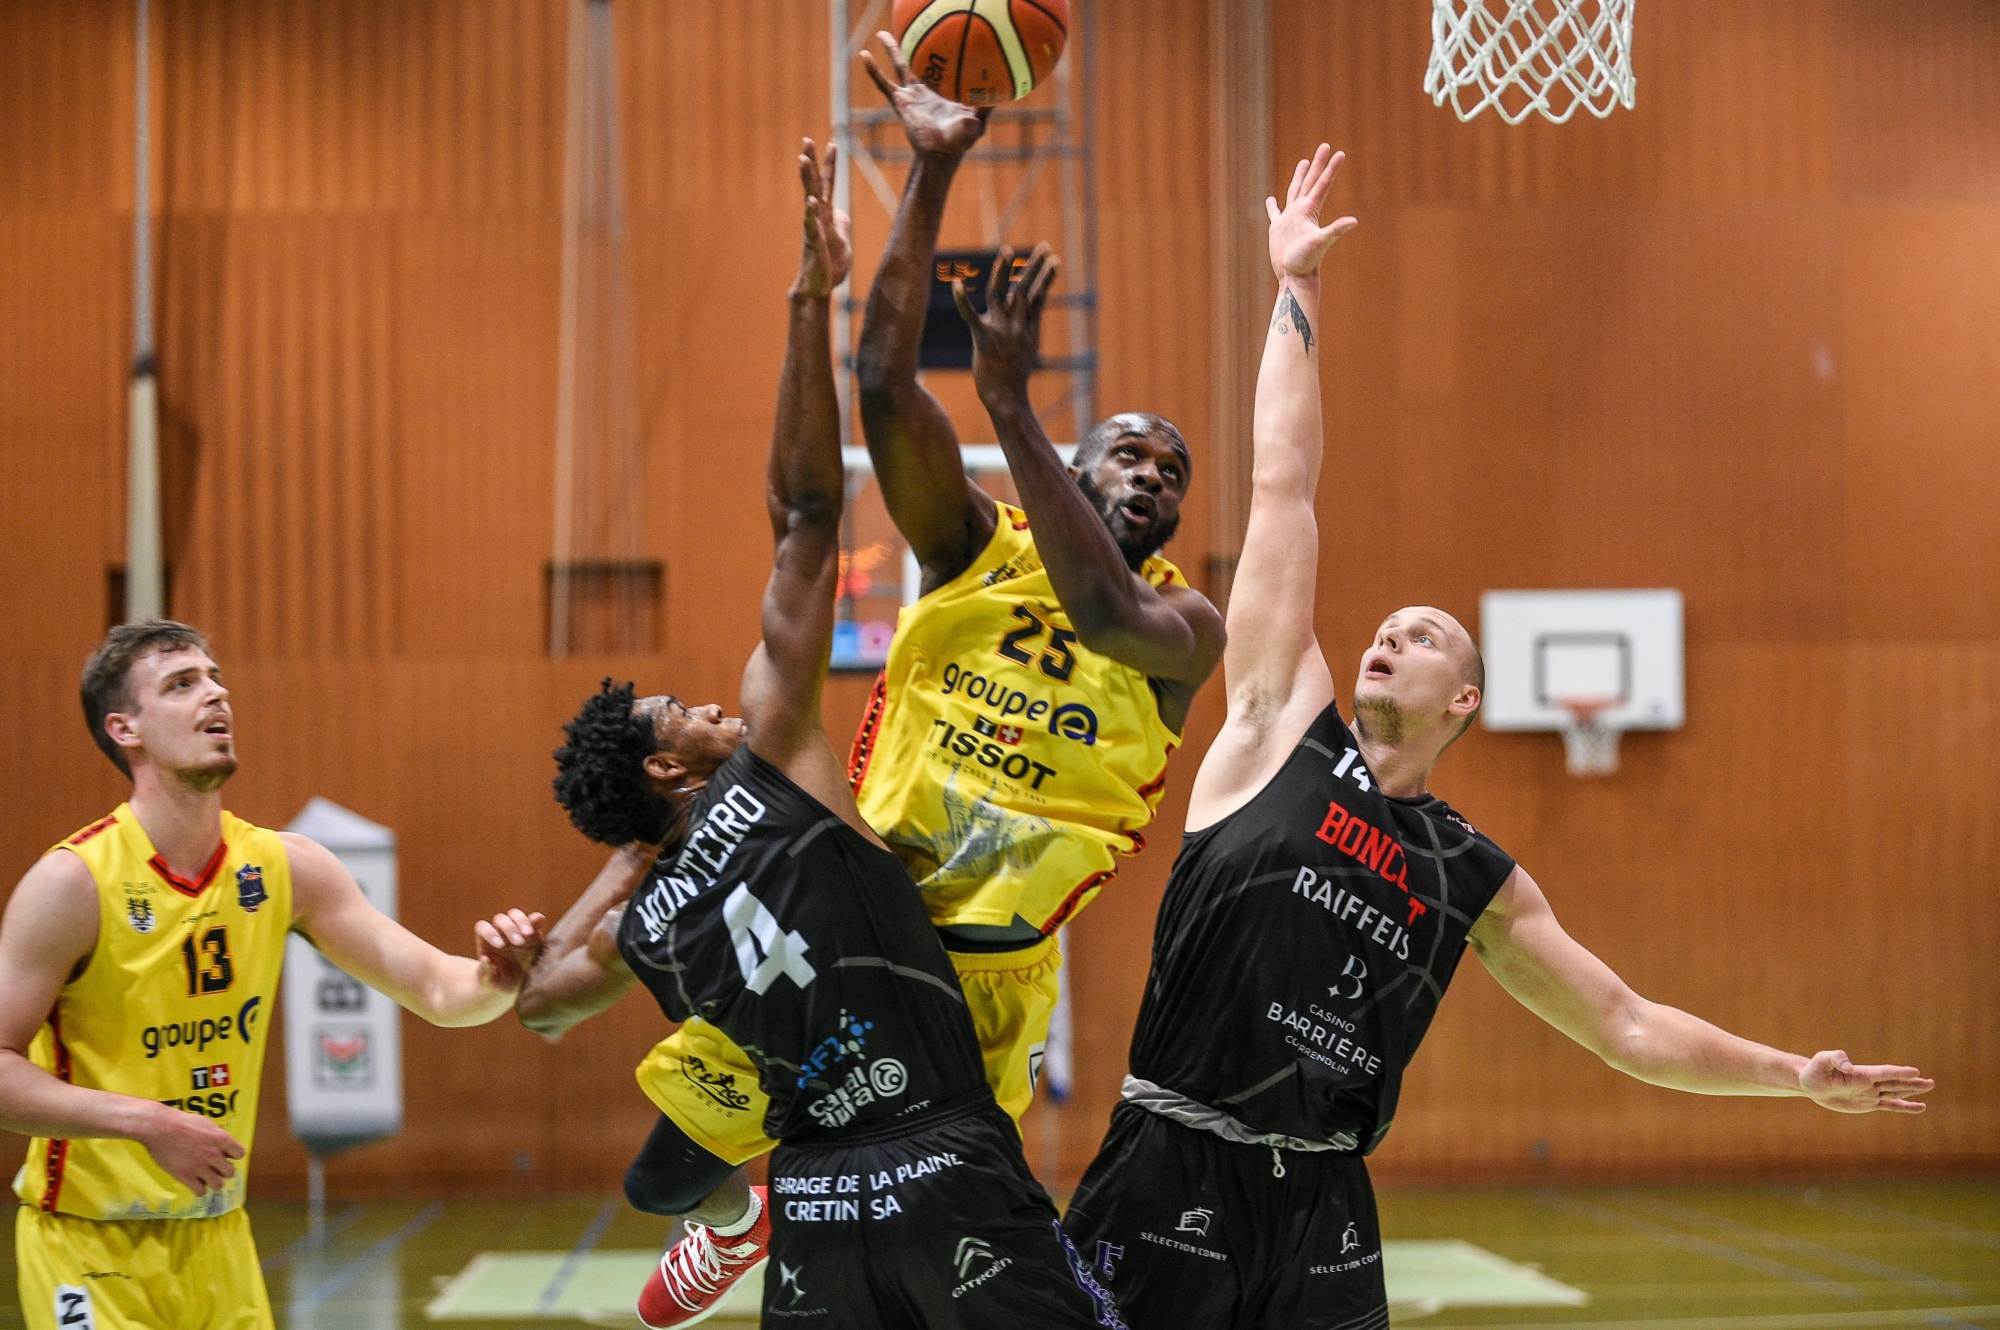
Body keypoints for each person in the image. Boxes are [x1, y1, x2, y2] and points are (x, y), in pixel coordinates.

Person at [1057, 144, 1936, 1330]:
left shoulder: (1469, 873)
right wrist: (1296, 290)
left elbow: (1622, 1021)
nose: (1387, 632)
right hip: (1167, 1166)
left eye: (1420, 636)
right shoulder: (1277, 728)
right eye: (1383, 624)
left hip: (1320, 1207)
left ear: (1463, 699)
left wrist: (1795, 1075)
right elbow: (1283, 487)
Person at [621, 39, 1226, 1318]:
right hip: (850, 920)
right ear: (1086, 459)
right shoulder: (972, 548)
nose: (1149, 476)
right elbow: (882, 384)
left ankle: (788, 1205)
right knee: (663, 1175)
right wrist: (931, 167)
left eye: (1170, 472)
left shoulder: (1182, 628)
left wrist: (1013, 408)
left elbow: (1102, 612)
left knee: (960, 1261)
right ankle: (755, 1210)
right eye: (1126, 452)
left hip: (995, 971)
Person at [516, 141, 1123, 1330]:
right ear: (664, 764)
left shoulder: (644, 923)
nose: (707, 703)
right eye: (677, 711)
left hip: (813, 1194)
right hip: (941, 1149)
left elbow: (537, 1000)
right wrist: (810, 294)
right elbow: (803, 508)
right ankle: (723, 1217)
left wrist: (629, 859)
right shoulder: (775, 764)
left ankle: (732, 1220)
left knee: (665, 1173)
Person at [0, 619, 547, 1330]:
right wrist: (144, 1124)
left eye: (216, 677)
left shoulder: (286, 866)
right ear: (124, 729)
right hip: (85, 1242)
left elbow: (442, 994)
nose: (216, 694)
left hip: (219, 1241)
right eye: (182, 683)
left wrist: (497, 979)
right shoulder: (72, 883)